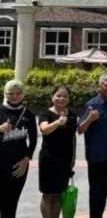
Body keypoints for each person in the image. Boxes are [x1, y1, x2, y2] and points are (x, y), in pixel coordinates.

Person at [78, 72, 107, 218]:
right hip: (95, 157)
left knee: (104, 192)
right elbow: (80, 129)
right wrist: (89, 119)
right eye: (106, 85)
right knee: (96, 193)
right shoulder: (92, 104)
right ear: (99, 86)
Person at [38, 85, 77, 218]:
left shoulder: (72, 115)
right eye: (58, 95)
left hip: (65, 159)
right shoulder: (46, 113)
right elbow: (44, 130)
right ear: (52, 97)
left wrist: (73, 157)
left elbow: (72, 137)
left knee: (60, 193)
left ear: (69, 98)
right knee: (48, 194)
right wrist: (57, 122)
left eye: (65, 96)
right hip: (48, 159)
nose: (61, 98)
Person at [0, 79, 37, 218]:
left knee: (11, 205)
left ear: (23, 94)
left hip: (18, 167)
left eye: (18, 93)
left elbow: (33, 141)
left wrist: (26, 160)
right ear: (5, 93)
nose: (14, 96)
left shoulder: (28, 115)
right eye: (11, 93)